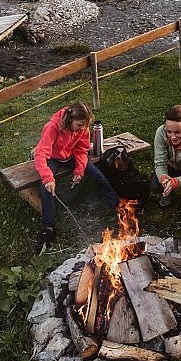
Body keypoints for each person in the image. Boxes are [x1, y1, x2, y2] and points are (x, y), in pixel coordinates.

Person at [33, 102, 119, 252]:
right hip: (53, 158)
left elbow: (81, 150)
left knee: (99, 176)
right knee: (45, 188)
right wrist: (48, 178)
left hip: (71, 155)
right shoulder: (52, 127)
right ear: (70, 120)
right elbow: (40, 154)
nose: (82, 129)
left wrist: (79, 170)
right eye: (79, 125)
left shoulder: (82, 128)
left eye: (84, 126)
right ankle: (48, 227)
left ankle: (118, 206)